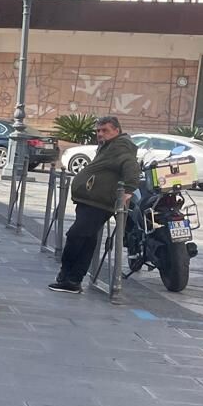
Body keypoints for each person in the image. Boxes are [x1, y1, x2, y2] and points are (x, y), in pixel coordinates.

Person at [50, 115, 141, 294]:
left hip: (98, 203)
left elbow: (131, 168)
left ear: (116, 130)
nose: (100, 134)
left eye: (105, 130)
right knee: (87, 240)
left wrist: (127, 192)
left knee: (76, 236)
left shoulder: (121, 146)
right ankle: (73, 280)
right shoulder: (108, 146)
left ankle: (68, 277)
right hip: (90, 200)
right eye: (98, 130)